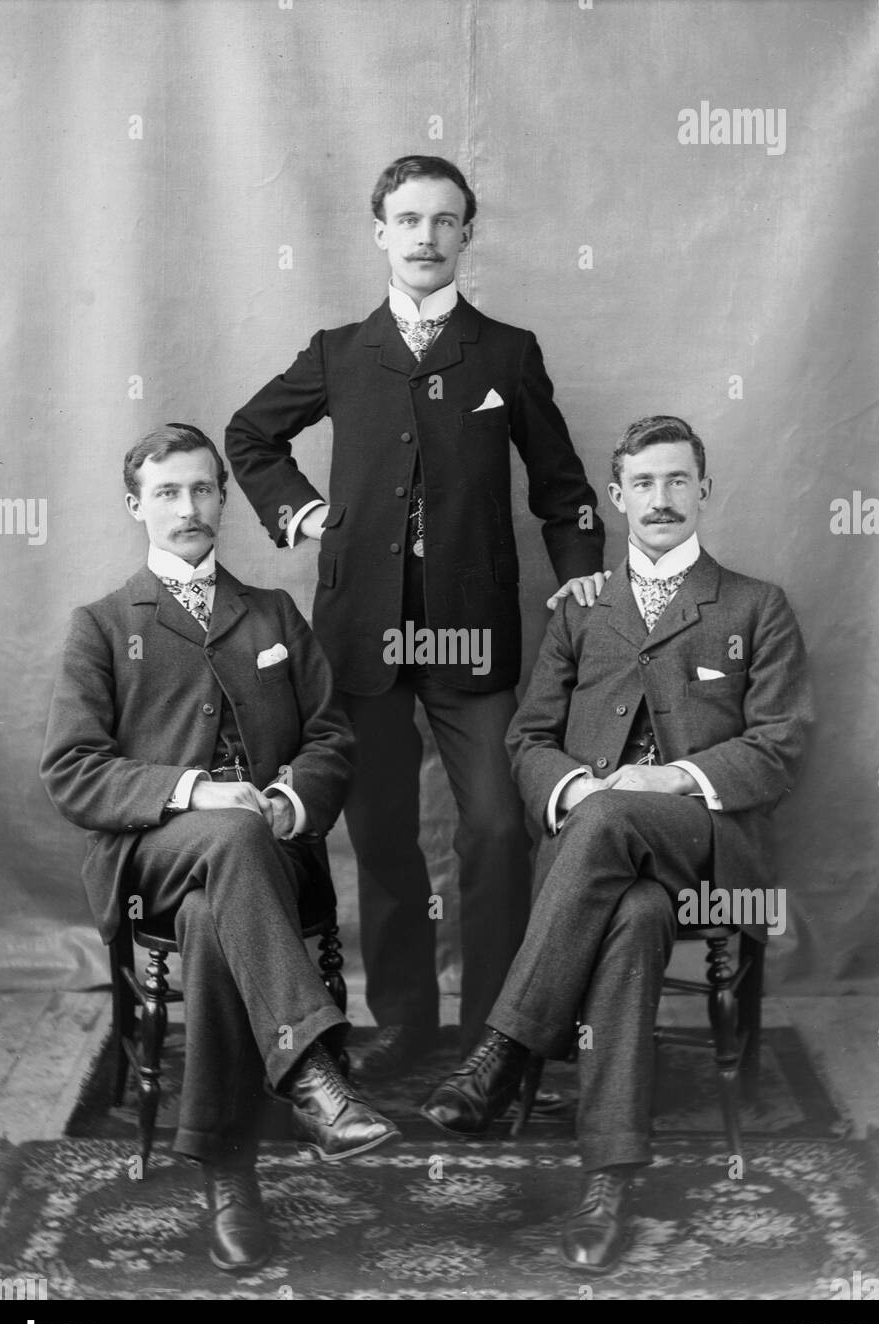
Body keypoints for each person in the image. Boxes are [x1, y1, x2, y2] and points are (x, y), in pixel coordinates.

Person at [225, 154, 606, 1078]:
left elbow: (562, 486)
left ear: (467, 235)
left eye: (444, 221)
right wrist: (299, 510)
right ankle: (400, 1019)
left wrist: (584, 577)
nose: (426, 237)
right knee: (382, 829)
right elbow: (250, 435)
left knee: (494, 827)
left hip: (472, 634)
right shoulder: (339, 350)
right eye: (408, 220)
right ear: (380, 234)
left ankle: (496, 1032)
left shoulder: (507, 352)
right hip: (363, 630)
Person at [421, 415, 813, 1273]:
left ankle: (506, 1048)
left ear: (704, 489)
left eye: (678, 481)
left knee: (605, 815)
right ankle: (610, 1181)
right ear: (616, 497)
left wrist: (664, 781)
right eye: (644, 483)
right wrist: (577, 789)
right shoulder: (580, 609)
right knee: (631, 916)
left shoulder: (756, 605)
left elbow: (780, 745)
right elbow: (527, 741)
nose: (662, 499)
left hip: (708, 846)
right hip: (604, 870)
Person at [40, 423, 398, 1275]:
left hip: (263, 858)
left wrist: (282, 801)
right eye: (167, 493)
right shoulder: (100, 625)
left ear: (224, 499)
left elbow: (331, 738)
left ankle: (227, 1178)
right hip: (151, 860)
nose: (189, 507)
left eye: (203, 489)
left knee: (214, 913)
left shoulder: (272, 613)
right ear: (136, 507)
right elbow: (72, 770)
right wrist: (196, 793)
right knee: (217, 848)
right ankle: (311, 1072)